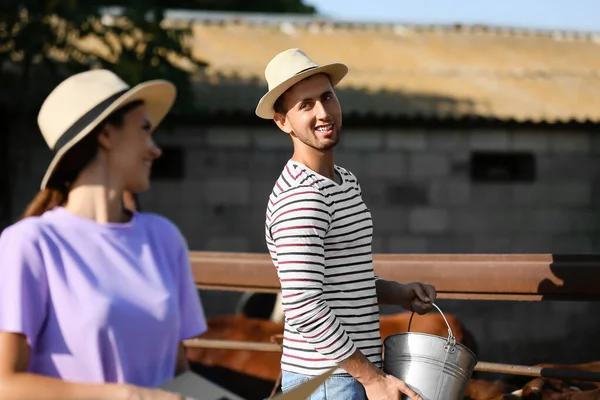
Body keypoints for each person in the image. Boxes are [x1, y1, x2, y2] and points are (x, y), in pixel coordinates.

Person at [0, 69, 207, 400]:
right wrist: (126, 395)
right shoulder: (29, 243)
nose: (156, 150)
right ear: (106, 134)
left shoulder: (164, 238)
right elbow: (5, 385)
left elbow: (179, 371)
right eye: (145, 130)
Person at [257, 48, 438, 400]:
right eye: (305, 105)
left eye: (327, 97)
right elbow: (305, 306)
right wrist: (373, 379)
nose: (323, 113)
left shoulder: (344, 180)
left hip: (346, 376)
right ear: (282, 122)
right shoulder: (302, 198)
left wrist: (397, 292)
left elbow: (343, 281)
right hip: (328, 381)